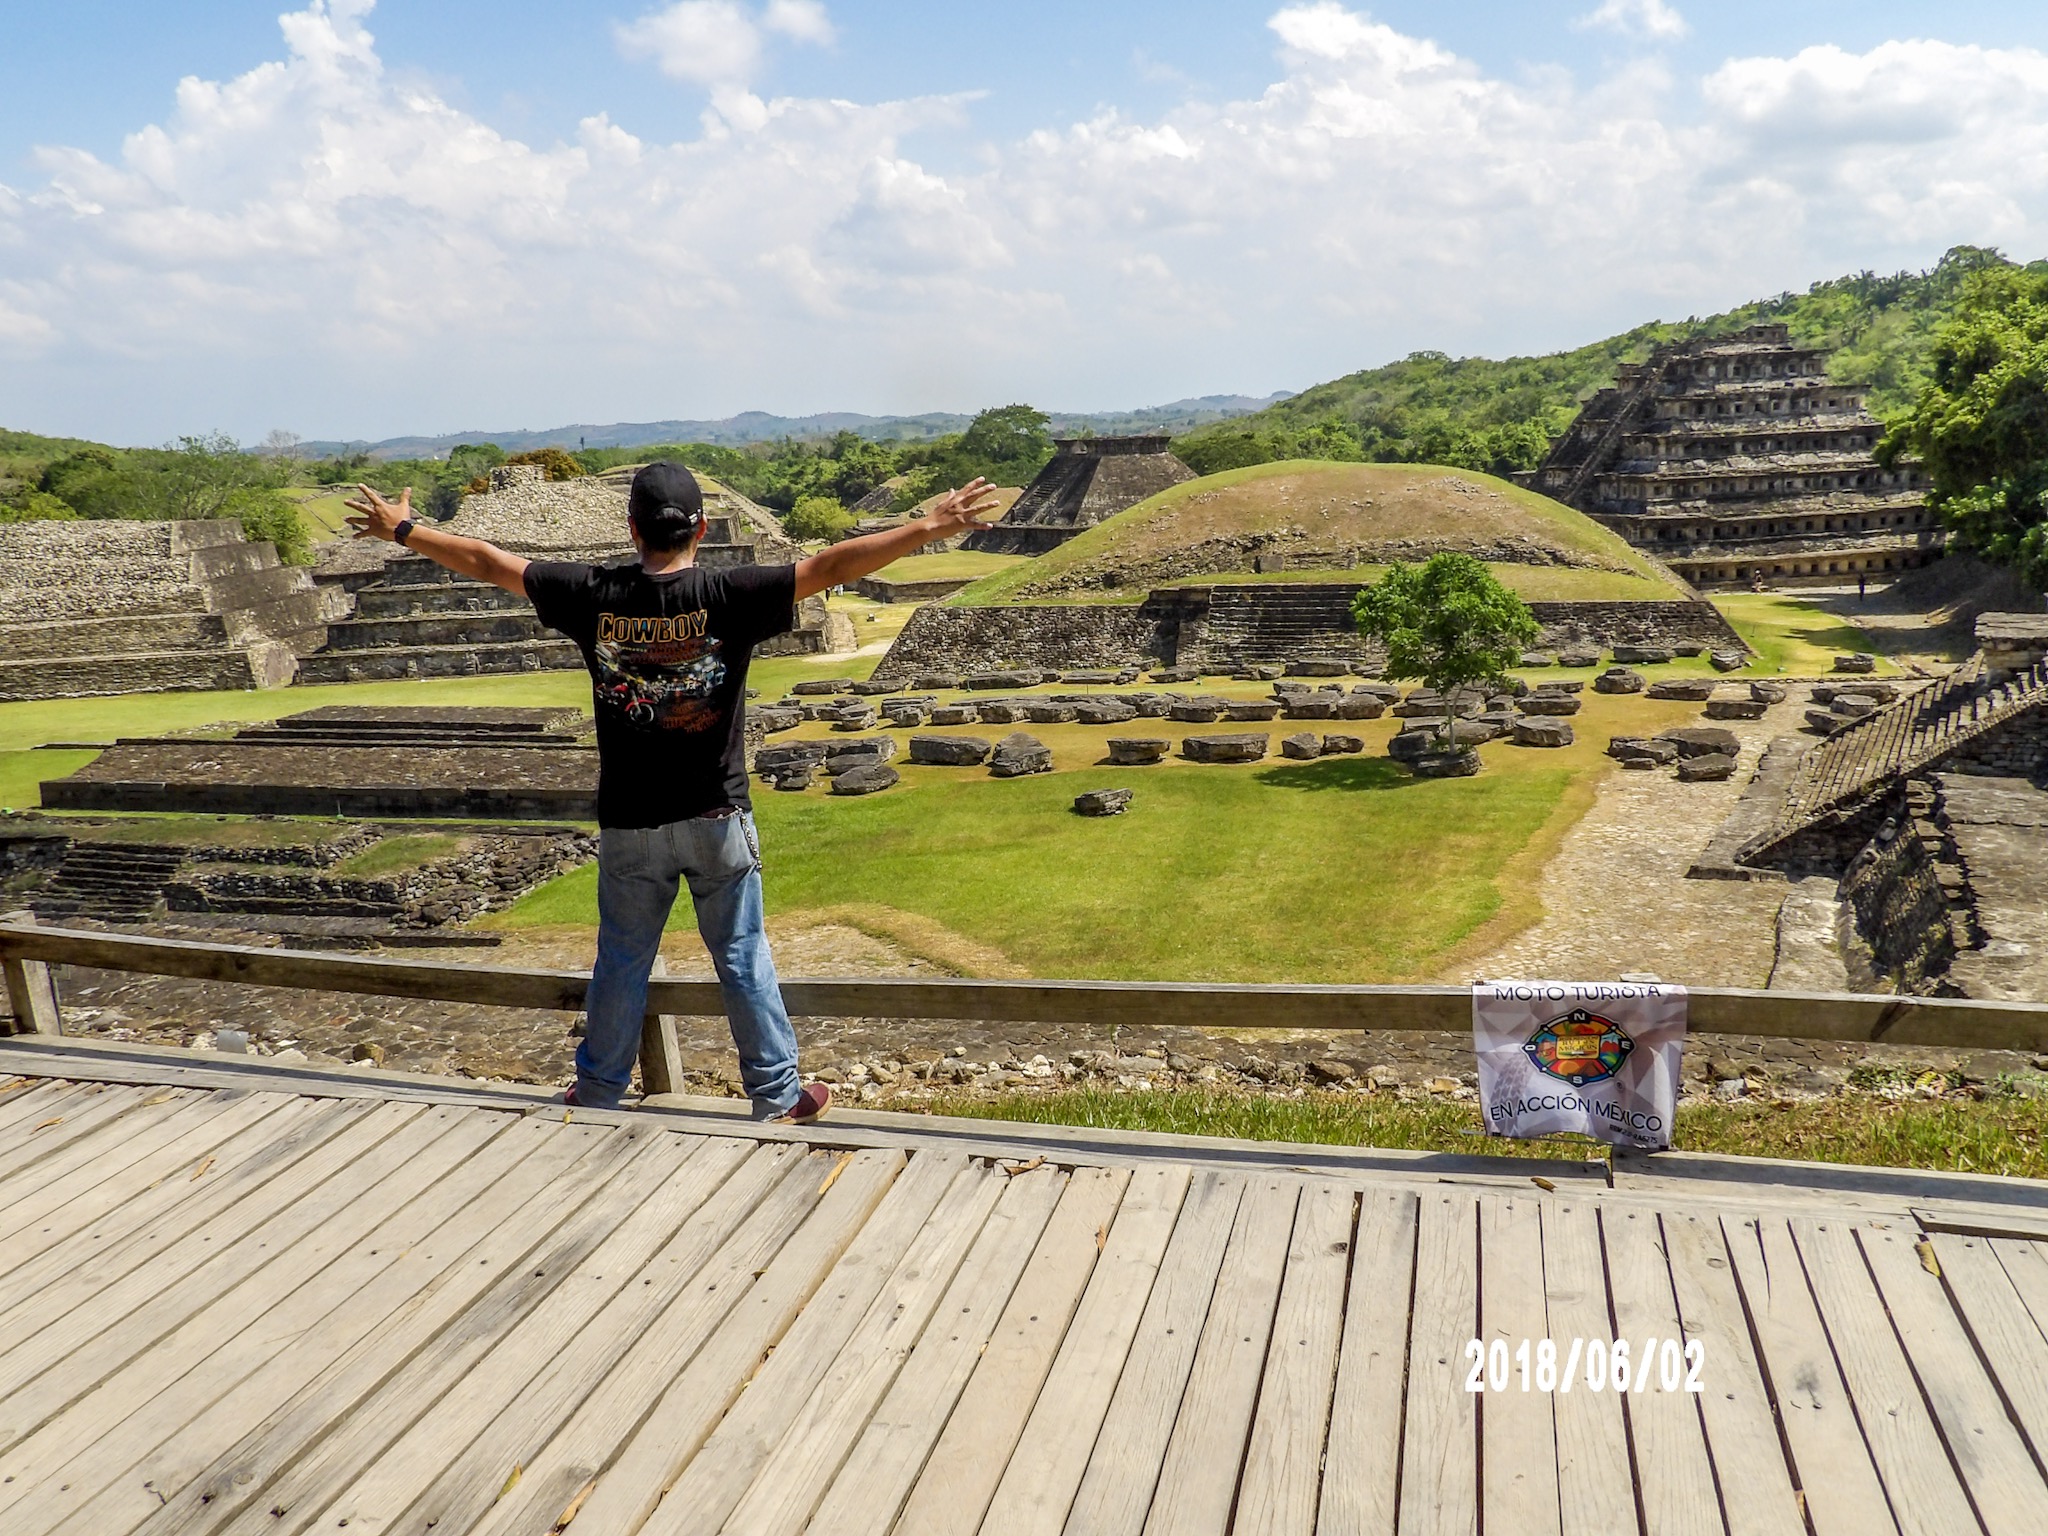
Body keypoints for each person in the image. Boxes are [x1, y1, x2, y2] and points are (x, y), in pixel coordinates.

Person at [344, 464, 1003, 1119]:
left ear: (632, 529)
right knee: (742, 956)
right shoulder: (730, 592)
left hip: (630, 821)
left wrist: (403, 529)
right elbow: (832, 566)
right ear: (703, 528)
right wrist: (929, 526)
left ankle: (598, 1090)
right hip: (717, 814)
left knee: (621, 960)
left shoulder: (594, 593)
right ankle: (776, 1095)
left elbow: (489, 563)